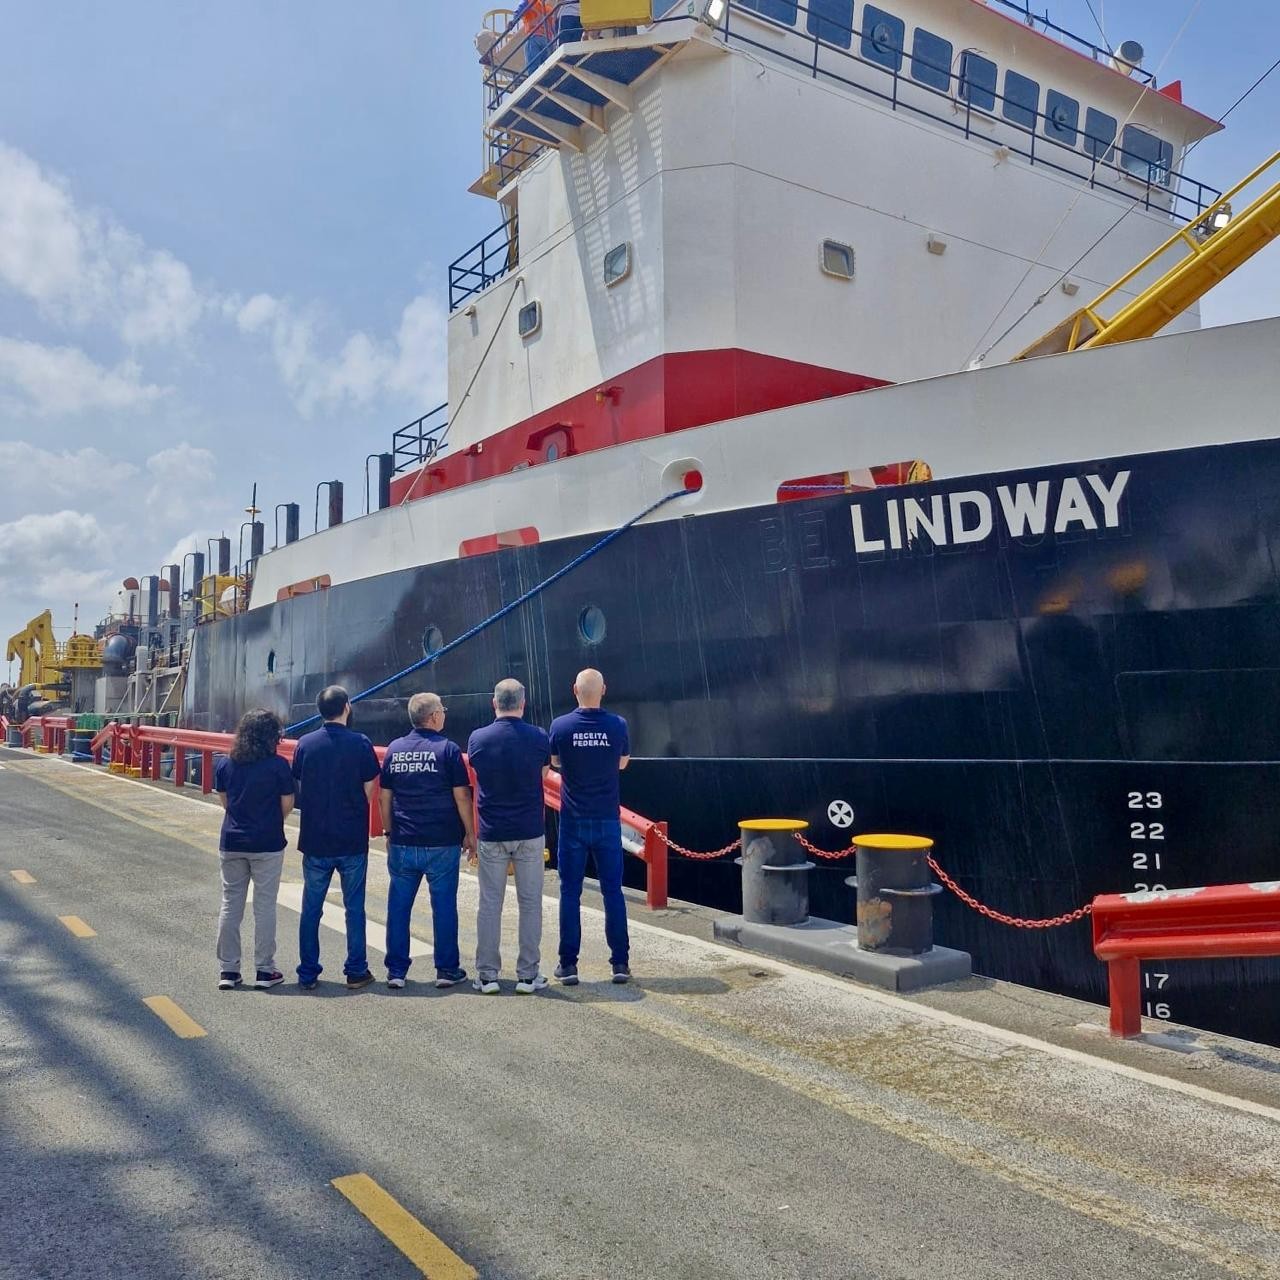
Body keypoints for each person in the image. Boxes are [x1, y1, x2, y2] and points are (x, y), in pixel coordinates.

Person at [378, 692, 476, 990]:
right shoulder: (447, 750)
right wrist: (470, 833)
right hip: (442, 842)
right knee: (444, 906)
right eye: (442, 710)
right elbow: (462, 796)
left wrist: (388, 831)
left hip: (404, 840)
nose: (444, 714)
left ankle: (396, 971)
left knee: (398, 907)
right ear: (433, 716)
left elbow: (385, 797)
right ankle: (446, 970)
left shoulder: (395, 749)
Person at [291, 686, 380, 990]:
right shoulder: (361, 743)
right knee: (354, 907)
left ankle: (307, 972)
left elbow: (300, 783)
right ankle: (356, 970)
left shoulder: (305, 744)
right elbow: (370, 788)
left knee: (312, 907)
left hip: (316, 838)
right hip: (351, 838)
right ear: (347, 707)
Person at [467, 678, 551, 994]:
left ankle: (487, 976)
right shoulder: (539, 737)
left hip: (492, 832)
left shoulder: (478, 738)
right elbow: (542, 774)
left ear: (494, 703)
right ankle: (528, 976)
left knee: (490, 904)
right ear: (523, 703)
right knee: (530, 904)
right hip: (529, 830)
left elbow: (477, 775)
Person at [549, 669, 632, 985]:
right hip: (607, 820)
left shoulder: (561, 726)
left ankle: (568, 965)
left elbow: (555, 762)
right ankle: (620, 963)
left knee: (570, 892)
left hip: (573, 821)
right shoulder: (617, 725)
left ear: (574, 690)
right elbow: (622, 763)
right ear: (604, 690)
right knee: (613, 891)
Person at [213, 708, 295, 991]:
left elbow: (225, 802)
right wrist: (271, 821)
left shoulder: (225, 764)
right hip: (267, 843)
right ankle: (264, 970)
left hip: (232, 841)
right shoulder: (278, 766)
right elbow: (287, 804)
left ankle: (228, 970)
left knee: (230, 904)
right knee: (264, 906)